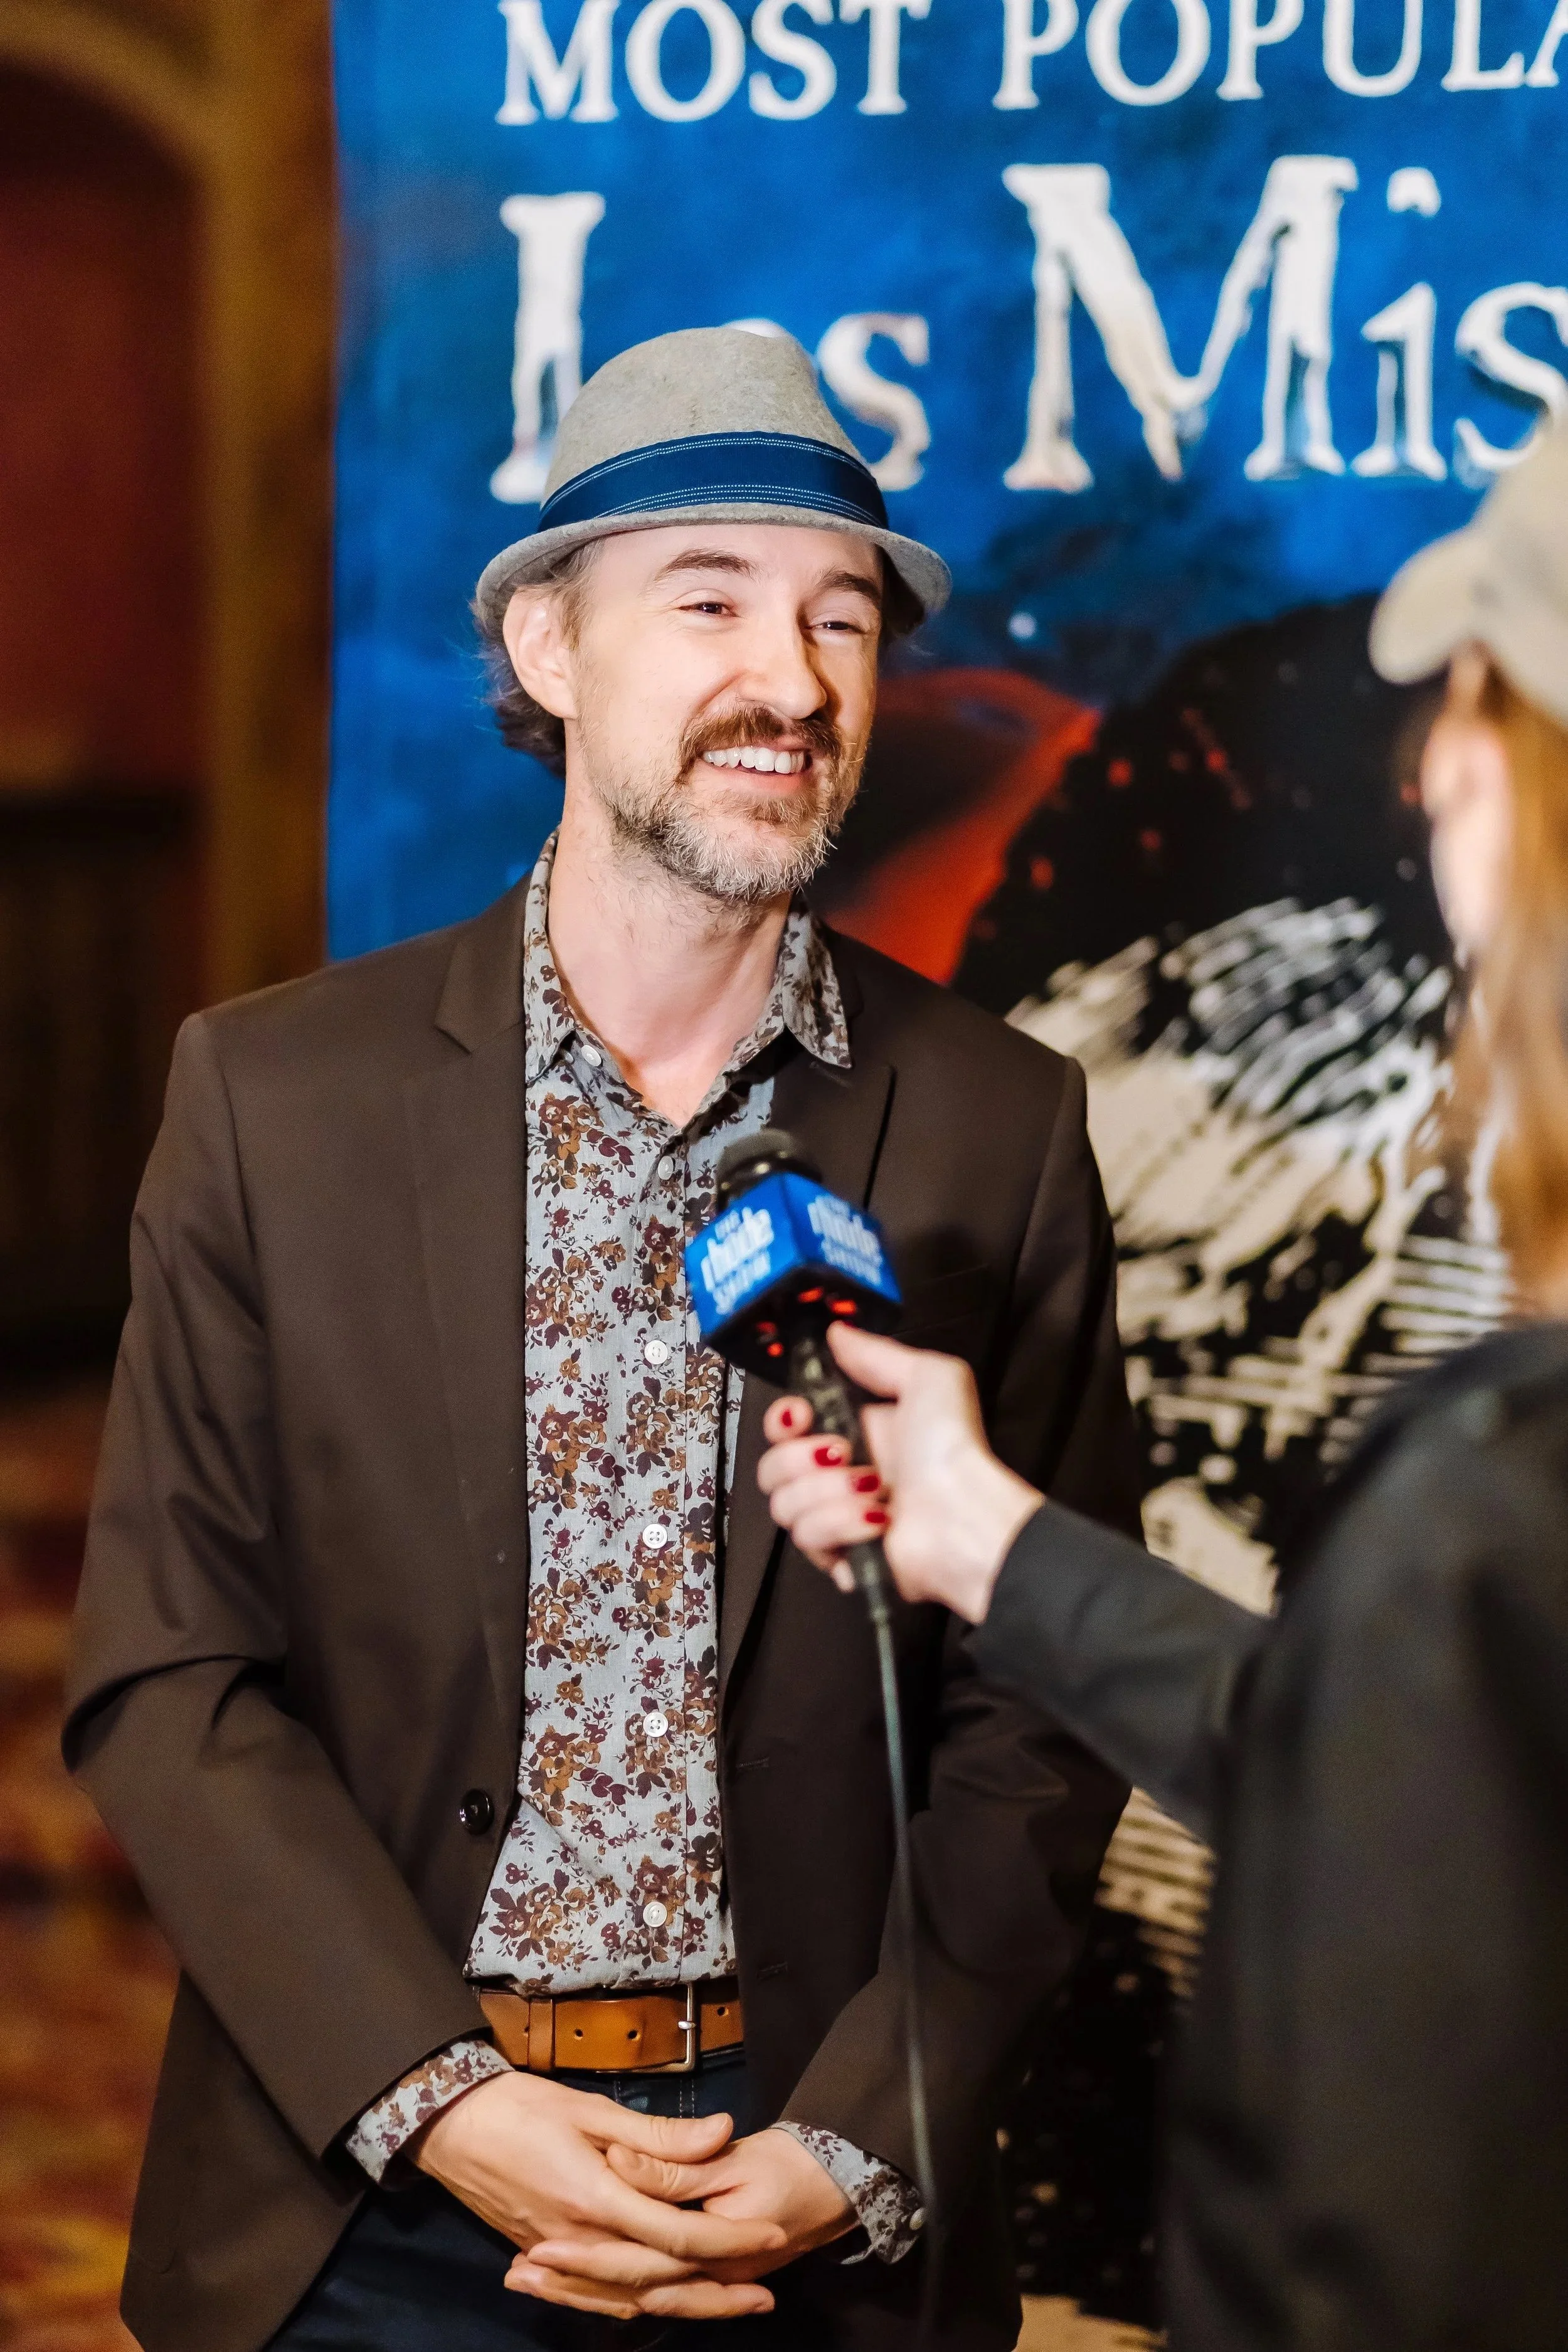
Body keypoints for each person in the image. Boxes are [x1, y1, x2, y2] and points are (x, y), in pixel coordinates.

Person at [63, 326, 1142, 2352]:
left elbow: (1050, 1697)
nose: (793, 675)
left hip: (814, 2203)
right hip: (365, 2199)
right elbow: (168, 1672)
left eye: (841, 616)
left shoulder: (1000, 1122)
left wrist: (854, 2135)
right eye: (709, 599)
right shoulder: (271, 1100)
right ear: (549, 651)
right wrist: (435, 2096)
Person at [757, 423, 1568, 2352]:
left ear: (1483, 768)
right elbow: (1420, 1772)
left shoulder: (1491, 1493)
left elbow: (1374, 2260)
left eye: (1466, 705)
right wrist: (994, 1539)